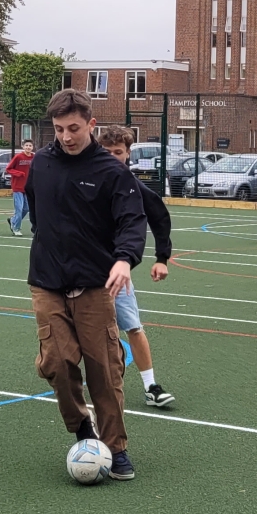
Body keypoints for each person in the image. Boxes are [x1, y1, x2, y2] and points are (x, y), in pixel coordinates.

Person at [25, 89, 147, 481]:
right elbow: (37, 214)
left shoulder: (112, 171)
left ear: (91, 124)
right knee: (57, 363)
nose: (66, 136)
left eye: (74, 128)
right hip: (47, 281)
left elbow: (132, 220)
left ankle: (116, 447)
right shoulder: (41, 163)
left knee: (104, 371)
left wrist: (124, 259)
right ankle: (82, 429)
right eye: (59, 129)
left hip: (96, 285)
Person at [99, 126, 177, 408]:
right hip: (81, 269)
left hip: (117, 271)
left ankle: (151, 386)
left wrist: (161, 258)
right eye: (106, 152)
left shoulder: (132, 185)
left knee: (132, 325)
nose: (112, 157)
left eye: (118, 152)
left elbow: (159, 216)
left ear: (128, 154)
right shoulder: (84, 179)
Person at [7, 140, 35, 236]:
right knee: (19, 209)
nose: (28, 147)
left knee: (26, 209)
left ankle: (13, 220)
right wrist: (18, 173)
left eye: (30, 145)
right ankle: (16, 228)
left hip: (28, 188)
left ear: (32, 147)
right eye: (26, 145)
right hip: (18, 187)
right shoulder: (18, 157)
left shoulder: (34, 157)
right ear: (23, 147)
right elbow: (9, 169)